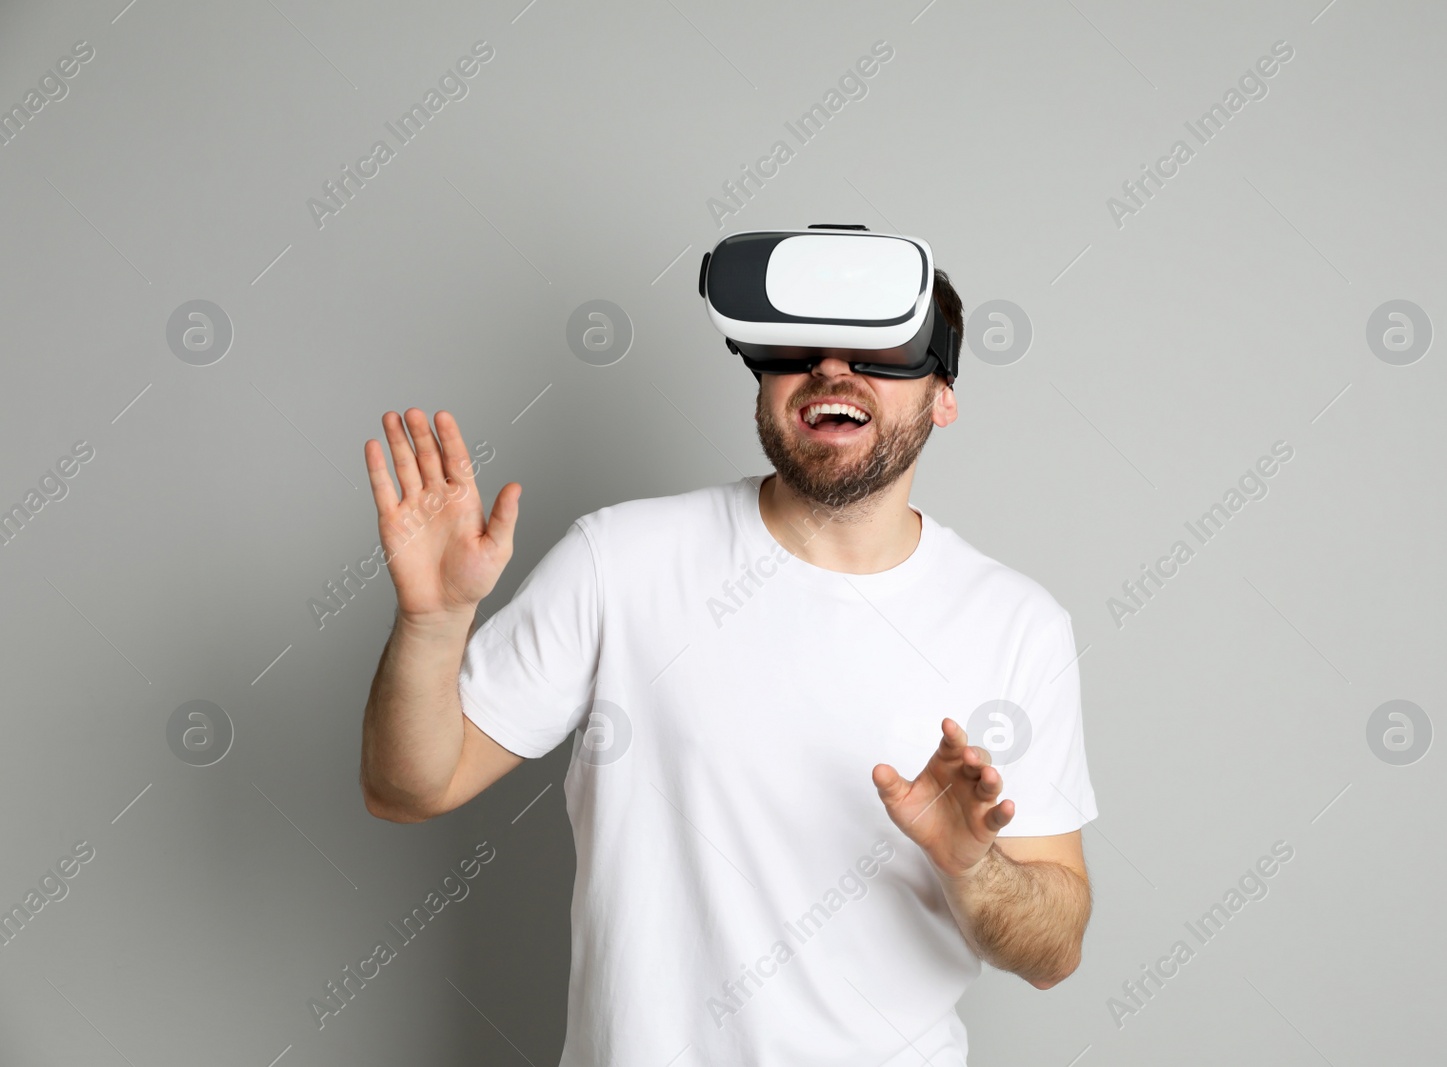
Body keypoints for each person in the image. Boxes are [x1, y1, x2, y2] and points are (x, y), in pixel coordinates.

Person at [358, 267, 1096, 1066]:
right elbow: (407, 787)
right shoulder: (620, 561)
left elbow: (1054, 952)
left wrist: (971, 865)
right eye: (797, 348)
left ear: (942, 393)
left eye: (876, 351)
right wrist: (432, 624)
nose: (831, 371)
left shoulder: (1018, 624)